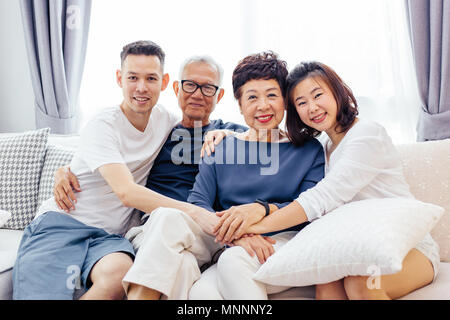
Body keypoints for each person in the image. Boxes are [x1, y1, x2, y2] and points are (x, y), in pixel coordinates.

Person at [212, 61, 440, 300]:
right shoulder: (323, 146)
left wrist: (246, 229)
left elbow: (321, 199)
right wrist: (225, 134)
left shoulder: (367, 135)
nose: (312, 108)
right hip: (356, 246)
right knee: (326, 286)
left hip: (405, 244)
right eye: (301, 103)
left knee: (361, 284)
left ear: (336, 91)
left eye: (317, 95)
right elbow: (257, 132)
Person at [12, 40, 211, 300]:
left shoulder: (166, 120)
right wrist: (196, 213)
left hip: (108, 238)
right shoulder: (102, 125)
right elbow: (127, 193)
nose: (141, 87)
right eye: (133, 77)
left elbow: (202, 124)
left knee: (120, 277)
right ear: (120, 78)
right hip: (63, 223)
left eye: (150, 78)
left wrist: (227, 133)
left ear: (163, 82)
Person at [120, 51, 325, 300]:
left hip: (277, 241)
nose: (263, 105)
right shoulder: (219, 146)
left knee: (220, 275)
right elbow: (199, 201)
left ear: (285, 101)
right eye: (252, 97)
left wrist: (260, 213)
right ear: (239, 106)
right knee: (170, 226)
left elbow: (307, 208)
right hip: (224, 238)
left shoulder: (308, 149)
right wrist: (237, 235)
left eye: (272, 95)